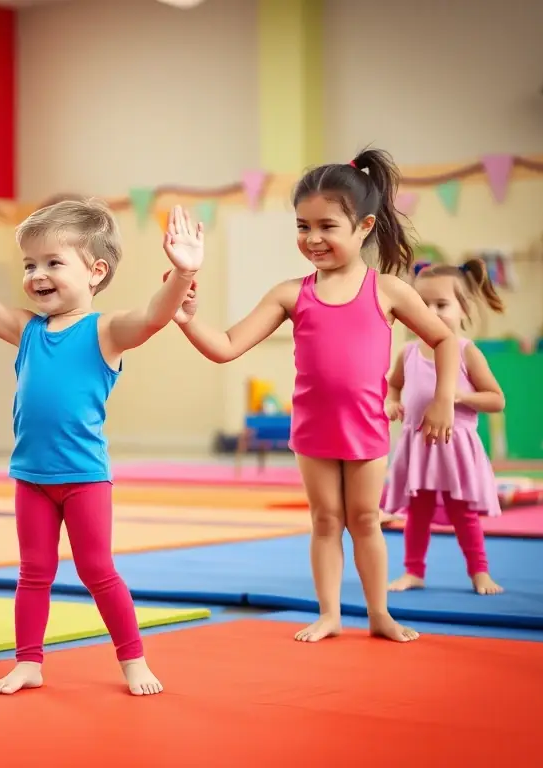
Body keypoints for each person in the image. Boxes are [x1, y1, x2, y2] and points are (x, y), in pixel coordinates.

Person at [0, 200, 202, 695]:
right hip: (32, 478)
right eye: (29, 264)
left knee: (97, 570)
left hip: (84, 478)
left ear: (95, 270)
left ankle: (133, 660)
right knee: (33, 572)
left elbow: (153, 317)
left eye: (52, 263)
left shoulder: (105, 331)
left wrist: (182, 273)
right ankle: (28, 661)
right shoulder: (27, 330)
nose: (37, 274)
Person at [173, 148, 458, 643]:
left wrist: (443, 399)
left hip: (366, 424)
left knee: (365, 518)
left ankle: (379, 614)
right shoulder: (290, 293)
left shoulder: (387, 290)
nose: (313, 239)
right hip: (314, 428)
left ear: (365, 226)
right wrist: (188, 318)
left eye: (327, 226)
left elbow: (445, 339)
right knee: (326, 520)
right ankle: (329, 614)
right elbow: (226, 348)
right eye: (303, 227)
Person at [383, 260, 506, 595]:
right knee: (416, 514)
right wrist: (392, 402)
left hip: (454, 448)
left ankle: (480, 572)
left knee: (463, 514)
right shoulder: (408, 353)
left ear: (462, 308)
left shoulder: (467, 352)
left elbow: (497, 399)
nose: (431, 312)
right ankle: (413, 571)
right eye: (422, 305)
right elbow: (393, 385)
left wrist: (460, 397)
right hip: (419, 449)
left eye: (441, 304)